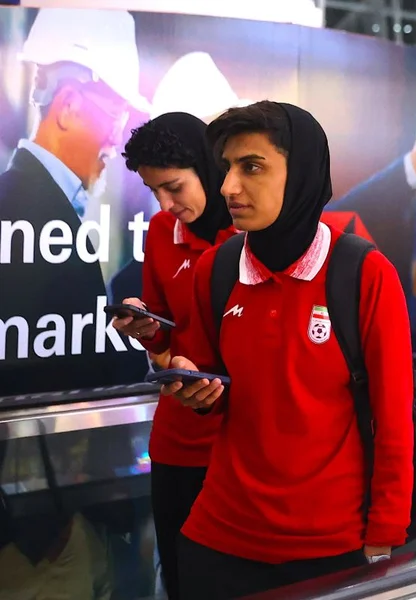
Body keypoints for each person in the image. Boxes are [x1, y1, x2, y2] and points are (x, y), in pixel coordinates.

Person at [158, 102, 415, 598]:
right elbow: (210, 387)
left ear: (299, 173)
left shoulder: (362, 273)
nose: (229, 187)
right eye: (226, 168)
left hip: (329, 548)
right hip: (218, 538)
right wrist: (196, 389)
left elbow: (393, 421)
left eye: (251, 167)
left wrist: (384, 540)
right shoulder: (216, 270)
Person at [106, 112, 236, 599]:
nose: (165, 203)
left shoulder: (254, 236)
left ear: (209, 167)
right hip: (180, 439)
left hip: (241, 441)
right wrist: (145, 328)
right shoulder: (162, 231)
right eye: (155, 190)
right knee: (182, 580)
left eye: (174, 187)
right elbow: (165, 342)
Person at [0, 8, 151, 395]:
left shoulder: (41, 204)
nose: (118, 142)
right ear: (67, 106)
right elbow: (69, 364)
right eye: (117, 117)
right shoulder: (36, 212)